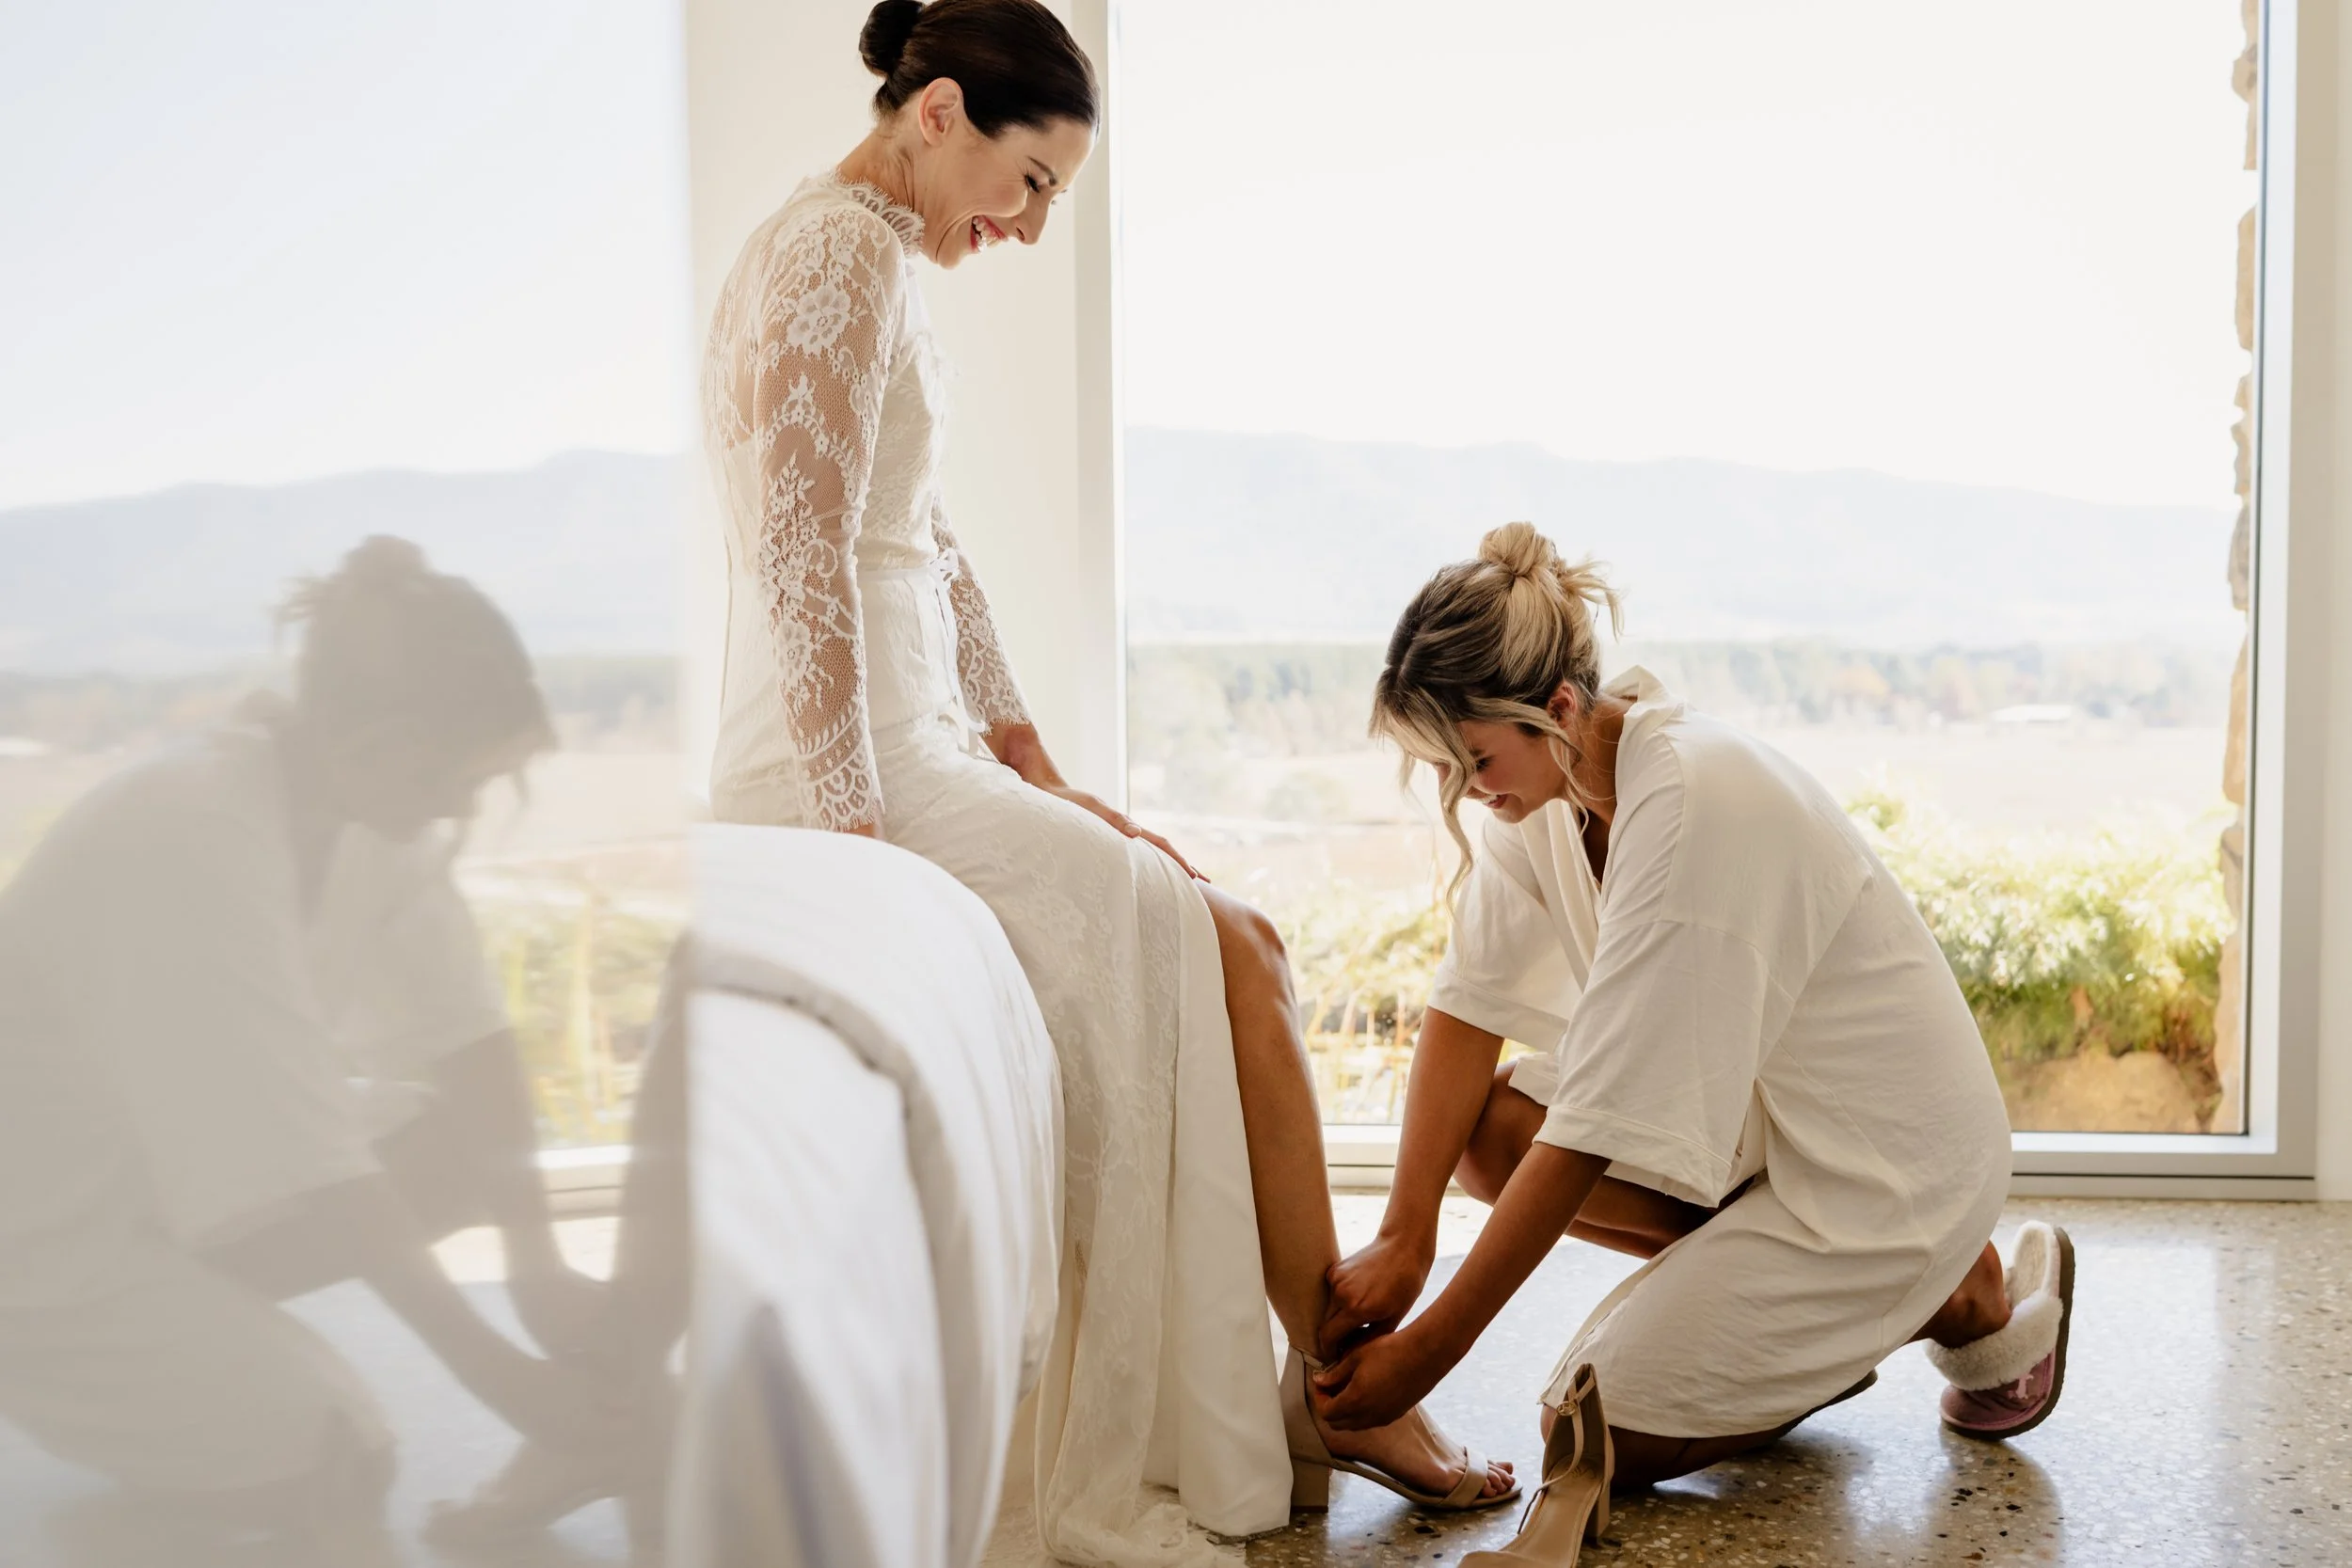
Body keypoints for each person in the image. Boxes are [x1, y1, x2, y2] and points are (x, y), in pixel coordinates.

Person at [697, 0, 1514, 1555]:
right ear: (934, 114)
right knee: (1232, 942)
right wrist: (860, 841)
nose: (1028, 222)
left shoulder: (844, 253)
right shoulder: (839, 255)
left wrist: (1044, 771)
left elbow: (924, 554)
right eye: (1031, 179)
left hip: (903, 743)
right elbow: (806, 557)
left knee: (1234, 932)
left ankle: (1331, 1387)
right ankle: (1351, 1394)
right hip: (844, 765)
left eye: (1053, 195)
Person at [1309, 525, 2077, 1551]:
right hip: (1770, 1135)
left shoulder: (1693, 796)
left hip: (1888, 1172)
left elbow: (1587, 1129)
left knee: (1578, 1429)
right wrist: (1407, 1237)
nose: (1466, 793)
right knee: (1490, 1133)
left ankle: (1922, 1284)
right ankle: (1855, 1308)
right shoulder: (1545, 791)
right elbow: (1466, 1006)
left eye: (1474, 759)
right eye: (1441, 768)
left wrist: (1430, 1349)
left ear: (1559, 709)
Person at [0, 537, 608, 1557]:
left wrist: (538, 1264)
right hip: (43, 1241)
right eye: (454, 777)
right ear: (376, 739)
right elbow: (321, 1167)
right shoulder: (192, 837)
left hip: (152, 1183)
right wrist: (507, 1381)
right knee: (339, 1451)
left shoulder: (362, 807)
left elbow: (470, 1034)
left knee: (462, 1143)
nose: (460, 807)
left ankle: (188, 1335)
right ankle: (79, 1358)